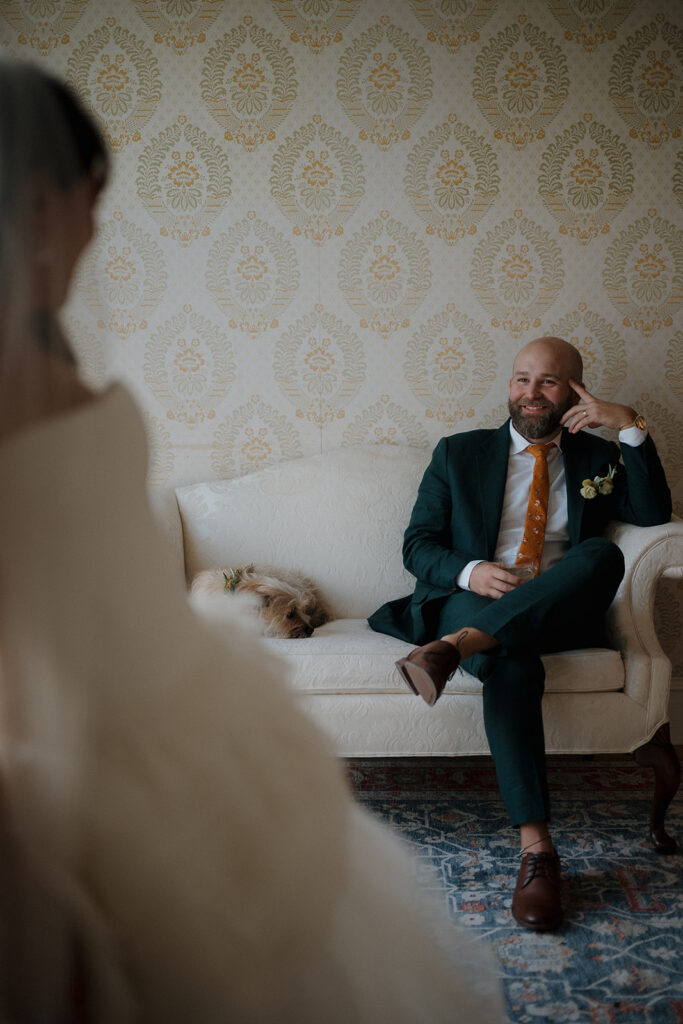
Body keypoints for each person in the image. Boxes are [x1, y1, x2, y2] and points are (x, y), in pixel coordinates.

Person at [0, 60, 505, 1022]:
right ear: (34, 201)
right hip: (63, 724)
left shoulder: (51, 356)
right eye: (89, 202)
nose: (97, 231)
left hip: (147, 678)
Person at [369, 334, 672, 933]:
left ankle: (452, 652)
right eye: (521, 378)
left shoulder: (596, 457)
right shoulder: (459, 453)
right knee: (514, 663)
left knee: (599, 557)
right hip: (469, 601)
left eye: (548, 381)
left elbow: (653, 515)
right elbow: (418, 546)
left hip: (555, 610)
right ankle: (538, 853)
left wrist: (631, 425)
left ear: (574, 392)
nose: (531, 393)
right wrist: (472, 571)